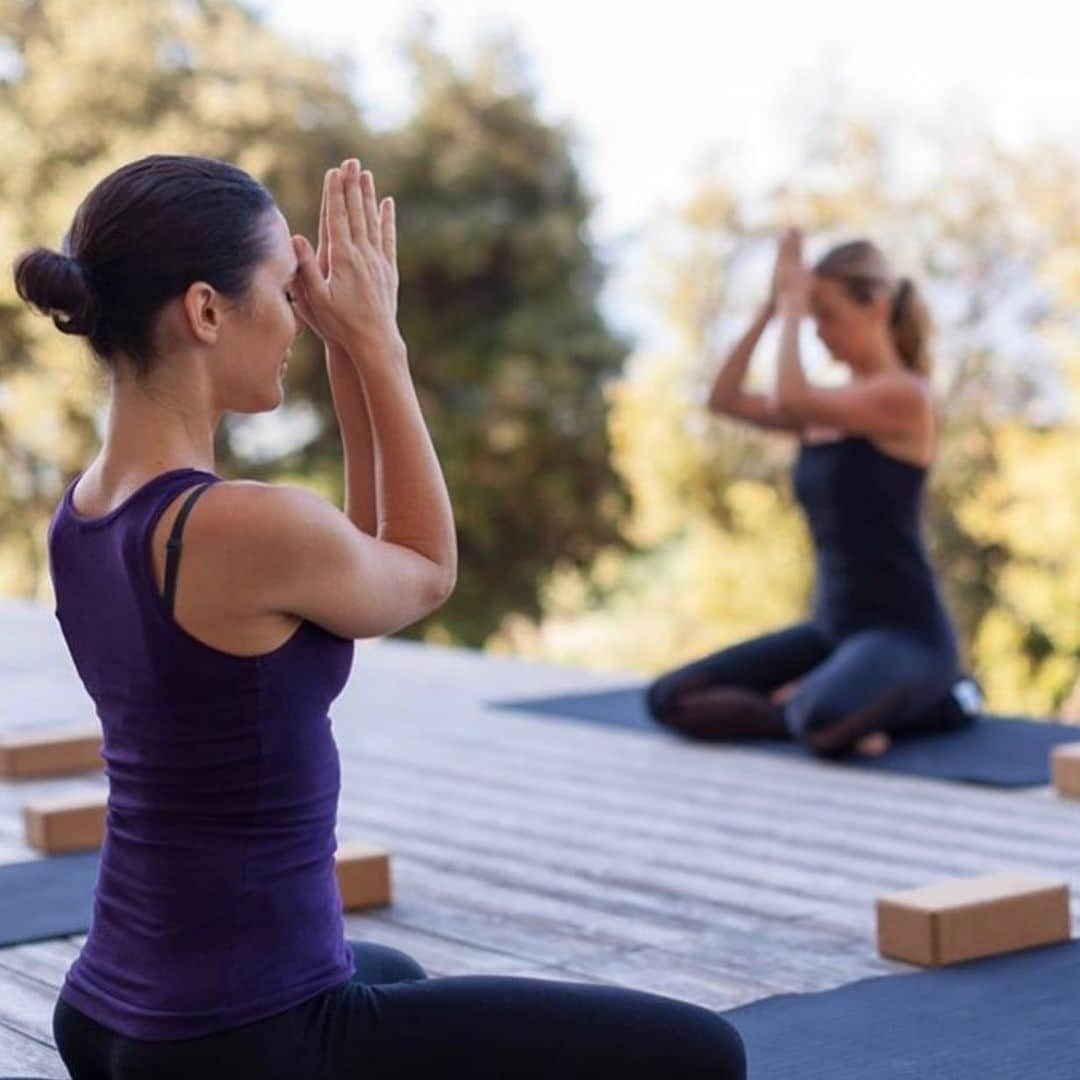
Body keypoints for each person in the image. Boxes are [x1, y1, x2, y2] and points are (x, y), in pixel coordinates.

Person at [16, 153, 745, 1079]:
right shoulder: (240, 522)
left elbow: (362, 568)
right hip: (243, 1037)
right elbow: (427, 569)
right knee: (702, 1056)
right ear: (205, 311)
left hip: (111, 1016)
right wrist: (379, 345)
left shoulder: (82, 515)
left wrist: (344, 349)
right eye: (288, 291)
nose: (299, 314)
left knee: (394, 970)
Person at [644, 228, 976, 757]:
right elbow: (723, 397)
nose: (817, 331)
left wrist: (796, 304)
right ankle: (827, 707)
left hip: (905, 634)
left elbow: (793, 399)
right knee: (672, 697)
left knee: (820, 722)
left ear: (876, 307)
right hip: (831, 629)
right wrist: (772, 307)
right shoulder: (827, 406)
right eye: (811, 315)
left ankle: (946, 699)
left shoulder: (905, 396)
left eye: (826, 314)